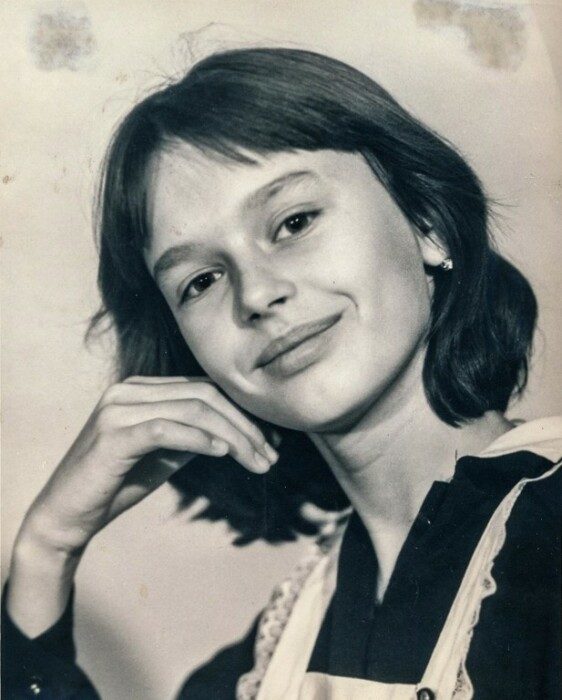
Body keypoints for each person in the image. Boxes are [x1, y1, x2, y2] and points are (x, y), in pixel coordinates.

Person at [2, 47, 560, 699]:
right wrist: (48, 547)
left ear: (428, 225)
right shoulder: (264, 663)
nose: (256, 294)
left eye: (293, 222)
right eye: (201, 281)